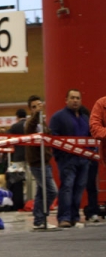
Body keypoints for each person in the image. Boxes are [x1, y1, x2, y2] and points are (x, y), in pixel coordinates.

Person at [49, 89, 91, 228]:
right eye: (72, 98)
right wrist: (60, 156)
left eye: (78, 98)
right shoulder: (58, 117)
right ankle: (64, 217)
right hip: (67, 159)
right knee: (67, 187)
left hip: (84, 159)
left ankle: (74, 216)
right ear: (66, 100)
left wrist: (92, 153)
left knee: (79, 188)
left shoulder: (85, 118)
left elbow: (91, 137)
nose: (75, 100)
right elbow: (53, 138)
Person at [24, 95, 58, 229]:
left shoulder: (42, 122)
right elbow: (29, 129)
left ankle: (39, 220)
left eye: (39, 105)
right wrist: (37, 114)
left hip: (45, 161)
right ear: (30, 109)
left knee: (41, 192)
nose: (37, 108)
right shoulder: (30, 122)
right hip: (37, 163)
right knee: (51, 191)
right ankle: (42, 217)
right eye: (34, 107)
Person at [79, 105, 100, 222]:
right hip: (92, 157)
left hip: (82, 157)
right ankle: (93, 211)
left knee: (78, 186)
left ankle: (75, 213)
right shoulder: (93, 123)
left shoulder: (81, 122)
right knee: (91, 186)